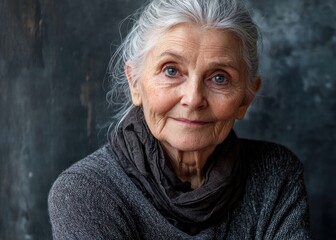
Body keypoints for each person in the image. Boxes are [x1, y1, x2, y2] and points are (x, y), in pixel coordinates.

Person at [47, 0, 311, 239]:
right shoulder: (87, 192)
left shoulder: (275, 175)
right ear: (135, 84)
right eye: (171, 71)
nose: (193, 98)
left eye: (220, 77)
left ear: (245, 99)